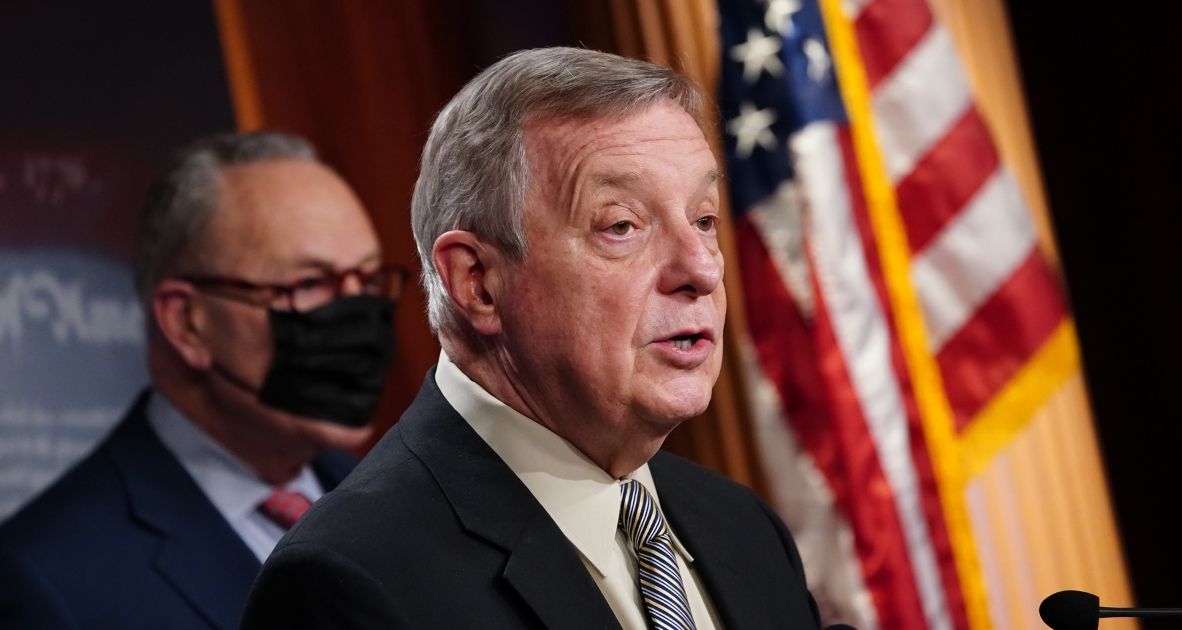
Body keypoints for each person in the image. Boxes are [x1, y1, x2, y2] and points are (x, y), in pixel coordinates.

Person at [242, 48, 822, 629]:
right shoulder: (351, 583)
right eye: (621, 226)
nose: (701, 269)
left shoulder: (743, 528)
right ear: (477, 283)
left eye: (703, 219)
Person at [0, 131, 404, 630]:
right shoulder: (45, 582)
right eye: (308, 285)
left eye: (367, 282)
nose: (359, 318)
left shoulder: (404, 509)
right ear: (188, 322)